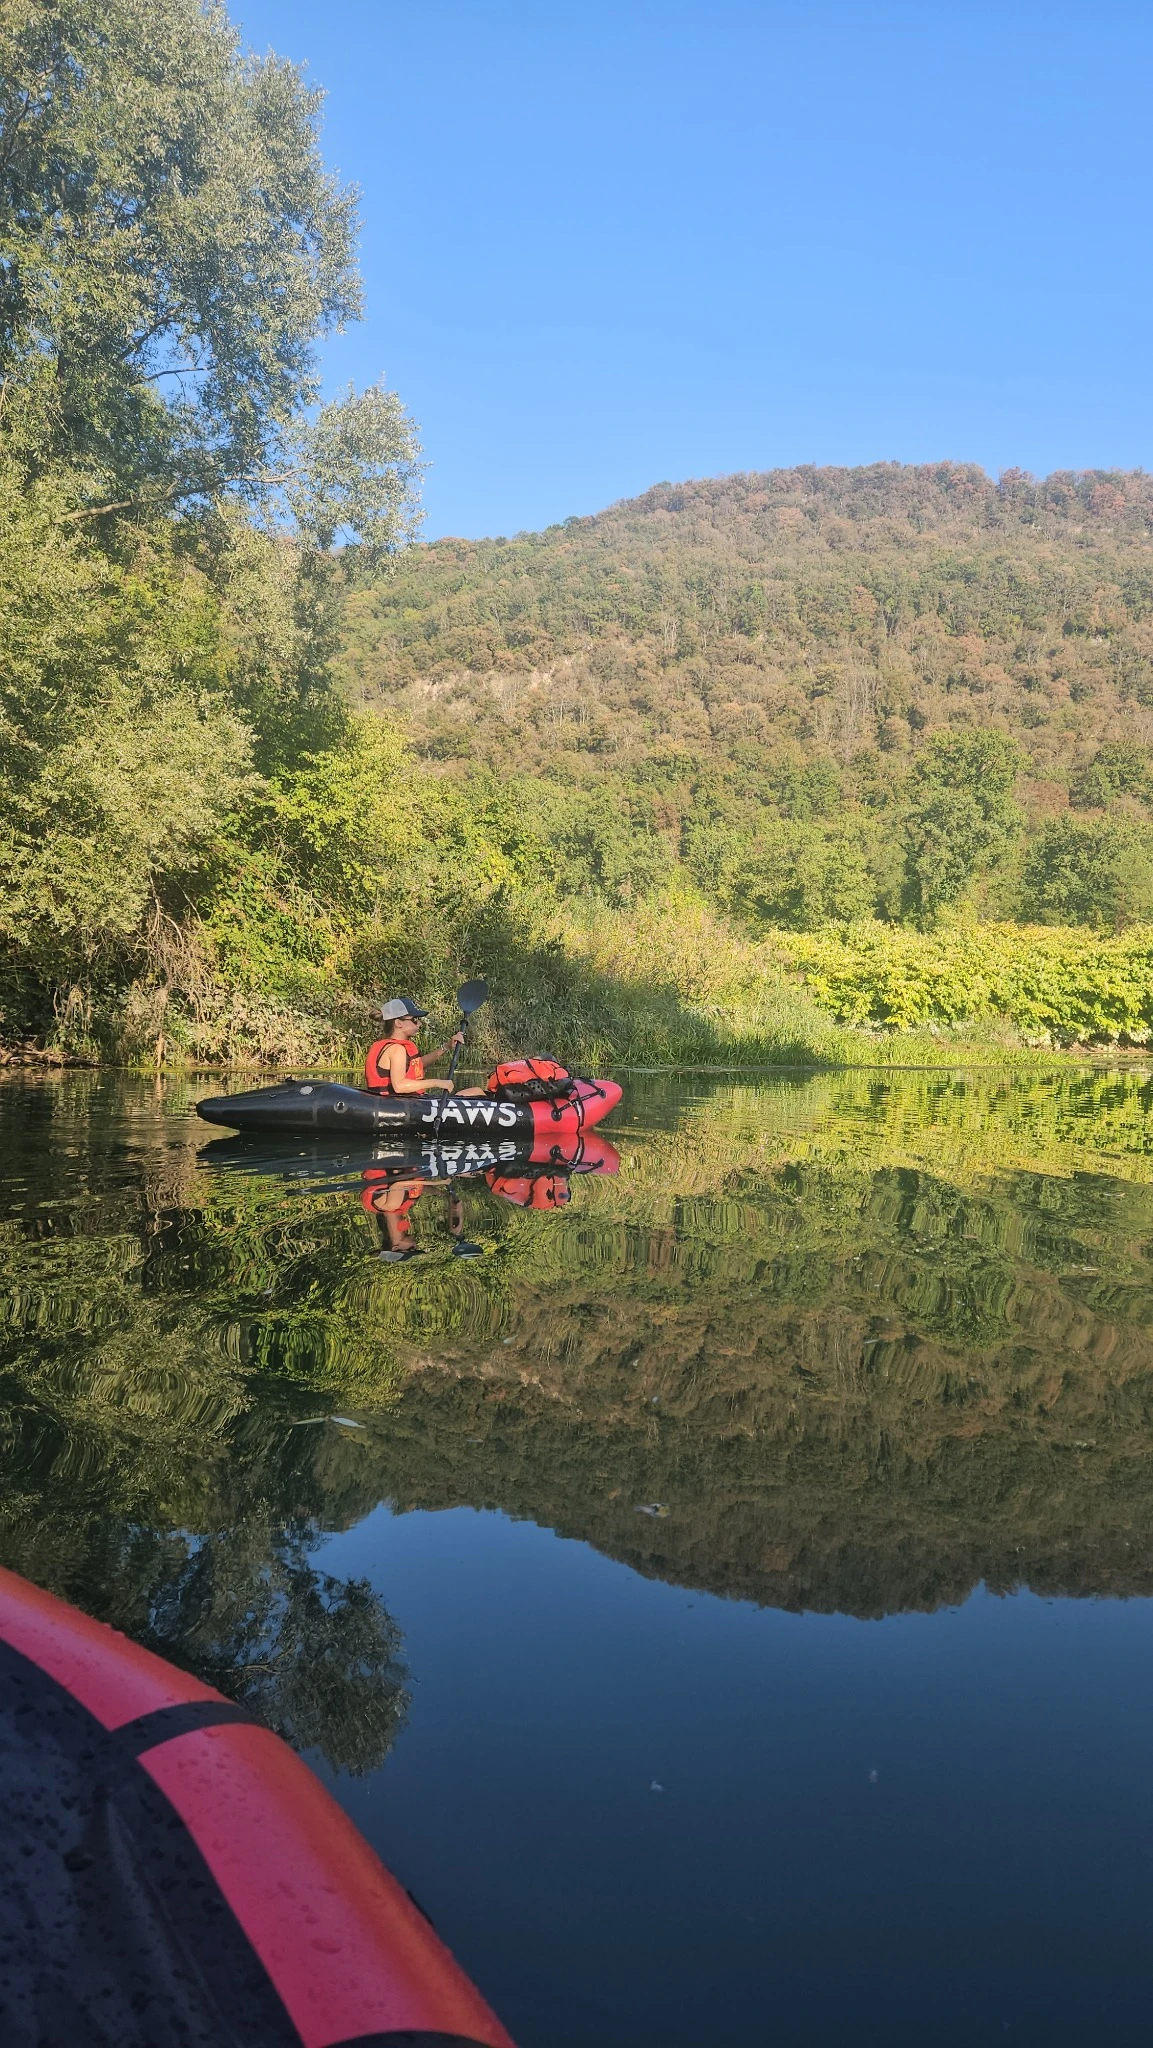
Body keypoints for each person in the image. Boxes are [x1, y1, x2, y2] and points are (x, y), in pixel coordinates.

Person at [364, 995, 484, 1097]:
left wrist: (447, 1046)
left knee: (475, 1091)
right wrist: (437, 1082)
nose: (419, 1023)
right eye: (414, 1020)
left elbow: (417, 1065)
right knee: (477, 1092)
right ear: (398, 1023)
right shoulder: (397, 1049)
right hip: (401, 1104)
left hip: (405, 1101)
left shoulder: (388, 1046)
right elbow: (399, 1086)